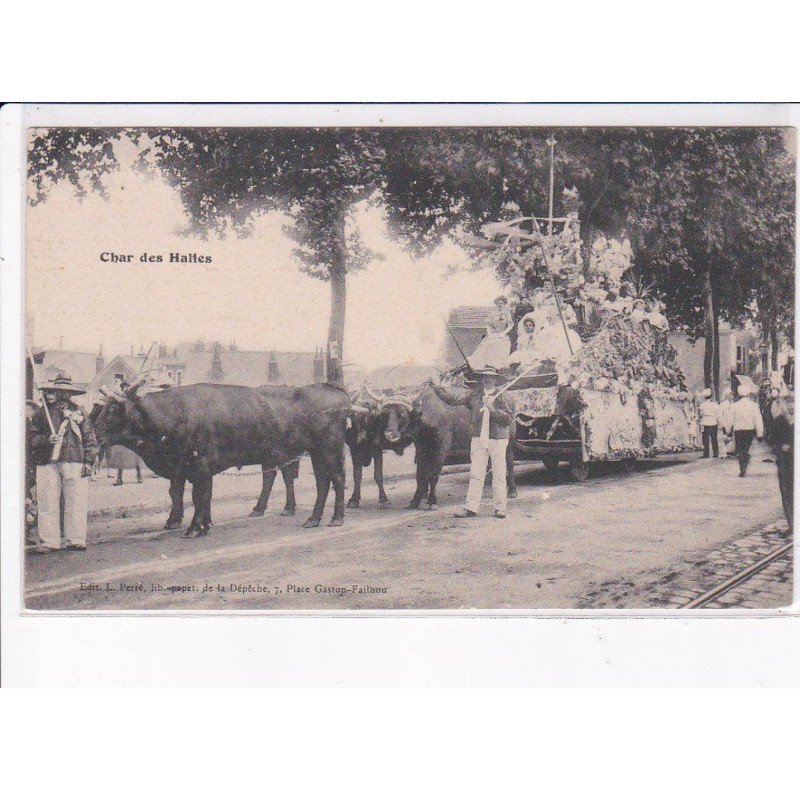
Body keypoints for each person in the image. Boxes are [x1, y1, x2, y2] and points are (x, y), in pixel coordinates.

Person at [432, 367, 514, 519]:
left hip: (497, 439)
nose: (488, 380)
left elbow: (508, 419)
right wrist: (436, 387)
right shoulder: (474, 396)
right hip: (478, 439)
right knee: (476, 474)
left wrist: (492, 409)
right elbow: (452, 399)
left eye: (491, 377)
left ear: (496, 380)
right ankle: (471, 508)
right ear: (481, 379)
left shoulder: (503, 396)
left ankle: (500, 508)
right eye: (485, 377)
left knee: (499, 475)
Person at [28, 375, 98, 552]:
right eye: (60, 391)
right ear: (55, 391)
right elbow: (31, 437)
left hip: (75, 460)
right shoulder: (42, 413)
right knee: (47, 501)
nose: (63, 394)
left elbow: (89, 438)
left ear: (71, 393)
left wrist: (89, 462)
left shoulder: (80, 412)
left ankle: (75, 539)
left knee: (76, 501)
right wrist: (46, 439)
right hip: (48, 462)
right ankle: (50, 541)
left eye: (66, 391)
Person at [767, 391, 793, 529]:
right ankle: (792, 523)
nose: (791, 406)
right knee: (787, 491)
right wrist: (779, 447)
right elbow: (772, 440)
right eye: (788, 404)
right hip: (785, 462)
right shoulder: (780, 420)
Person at [469, 296, 513, 371]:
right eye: (498, 303)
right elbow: (488, 325)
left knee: (500, 345)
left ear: (504, 304)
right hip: (493, 334)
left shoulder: (507, 314)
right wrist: (489, 334)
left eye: (502, 303)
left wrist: (503, 333)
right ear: (496, 304)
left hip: (502, 335)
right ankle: (485, 364)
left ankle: (496, 365)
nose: (500, 305)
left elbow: (510, 325)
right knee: (489, 344)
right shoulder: (492, 314)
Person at [730, 383, 764, 477]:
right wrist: (760, 433)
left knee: (740, 449)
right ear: (748, 394)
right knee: (746, 448)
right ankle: (744, 466)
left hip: (738, 430)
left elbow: (729, 419)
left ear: (739, 394)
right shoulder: (754, 405)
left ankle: (742, 467)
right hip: (749, 430)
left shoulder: (734, 405)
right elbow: (758, 419)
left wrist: (728, 430)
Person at [698, 388, 720, 458]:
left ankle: (706, 454)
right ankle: (716, 453)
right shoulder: (715, 404)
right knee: (714, 438)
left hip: (705, 422)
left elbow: (701, 414)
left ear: (704, 397)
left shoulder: (702, 405)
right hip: (713, 421)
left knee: (706, 439)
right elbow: (718, 414)